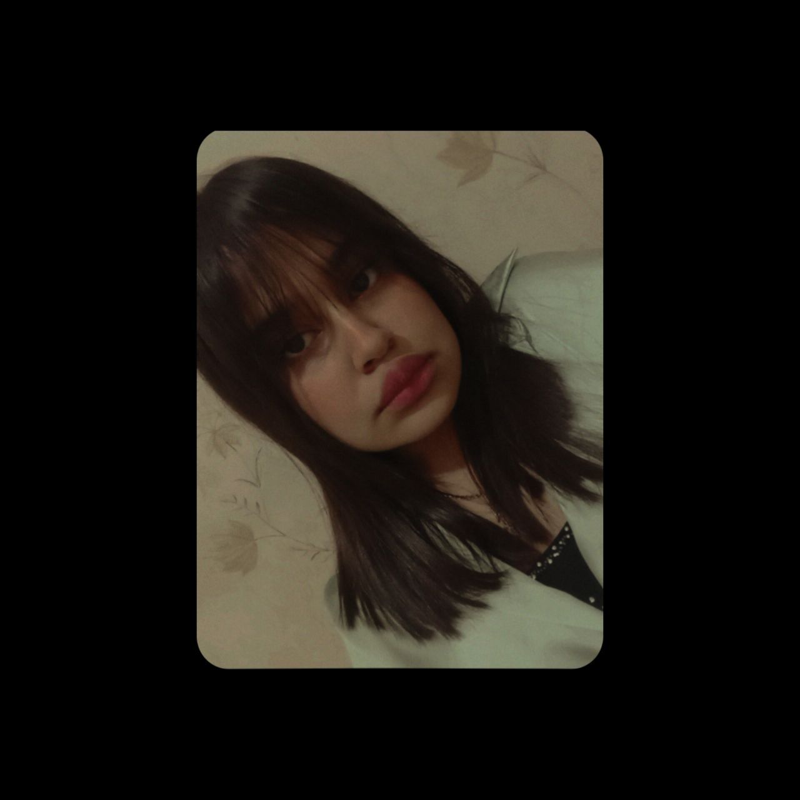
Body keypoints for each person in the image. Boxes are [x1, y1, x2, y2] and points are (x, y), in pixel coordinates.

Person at [197, 156, 603, 668]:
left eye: (362, 279)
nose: (369, 341)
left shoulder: (570, 310)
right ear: (267, 401)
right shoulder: (382, 627)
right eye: (296, 342)